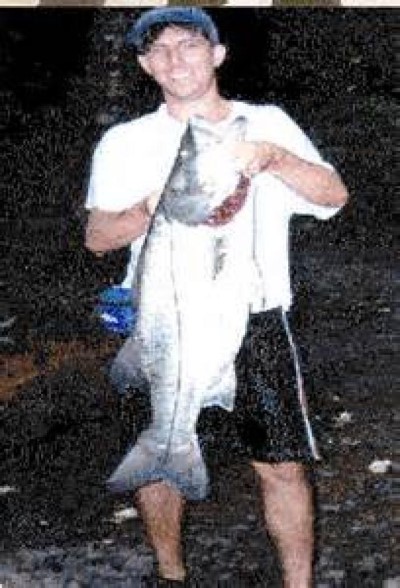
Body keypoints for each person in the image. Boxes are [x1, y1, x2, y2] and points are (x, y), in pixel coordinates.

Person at [85, 7, 348, 587]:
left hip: (254, 320)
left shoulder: (268, 123)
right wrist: (148, 209)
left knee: (282, 466)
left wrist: (276, 158)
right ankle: (172, 575)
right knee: (160, 457)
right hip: (160, 322)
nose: (175, 57)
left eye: (189, 44)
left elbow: (333, 196)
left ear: (218, 54)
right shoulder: (125, 142)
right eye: (159, 50)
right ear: (145, 65)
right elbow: (98, 237)